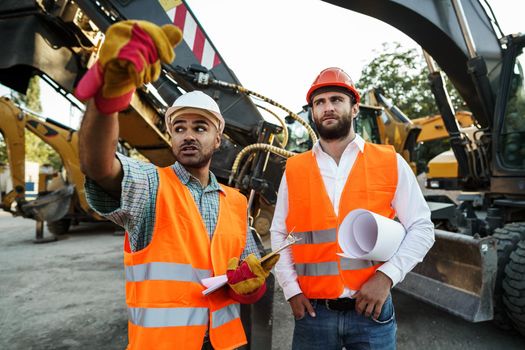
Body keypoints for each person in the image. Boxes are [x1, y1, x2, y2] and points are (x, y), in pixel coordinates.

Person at [77, 20, 276, 350]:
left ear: (218, 140)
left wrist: (251, 284)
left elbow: (246, 275)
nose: (188, 135)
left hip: (225, 344)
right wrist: (110, 97)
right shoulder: (152, 186)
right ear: (171, 136)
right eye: (179, 128)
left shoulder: (236, 202)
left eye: (200, 128)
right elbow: (98, 166)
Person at [270, 67, 435, 349]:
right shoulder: (295, 169)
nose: (328, 107)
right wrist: (291, 289)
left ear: (354, 108)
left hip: (371, 311)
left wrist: (386, 277)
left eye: (336, 99)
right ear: (312, 112)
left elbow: (422, 227)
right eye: (319, 102)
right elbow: (279, 233)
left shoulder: (389, 161)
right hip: (313, 313)